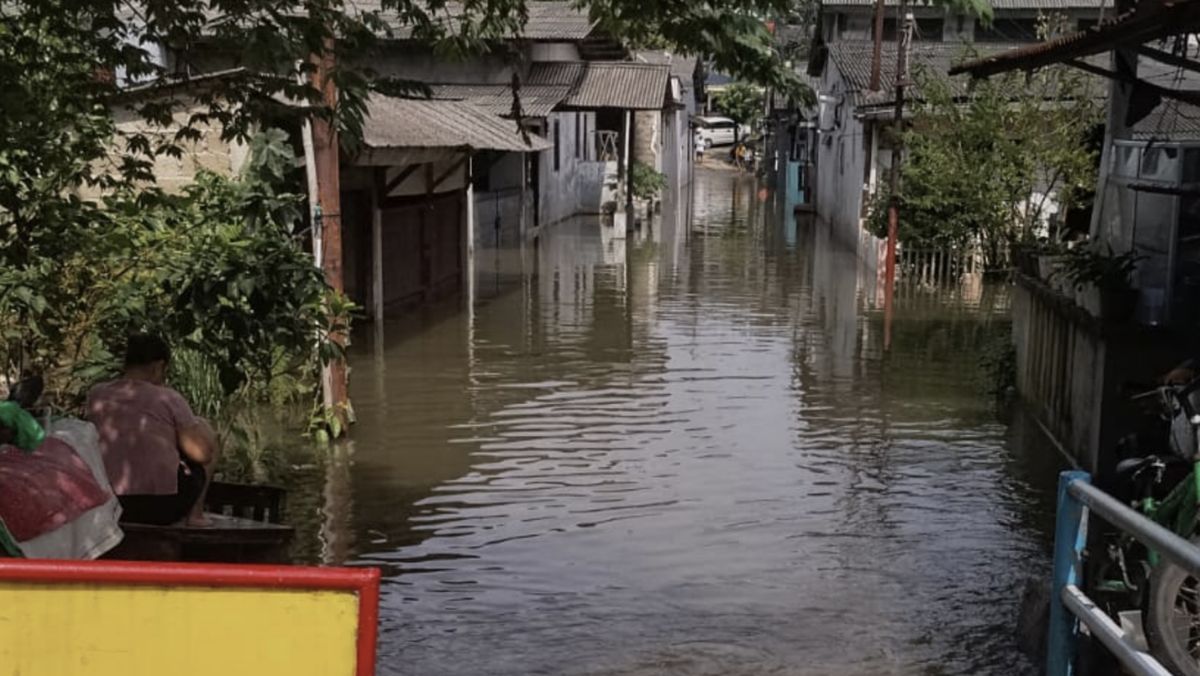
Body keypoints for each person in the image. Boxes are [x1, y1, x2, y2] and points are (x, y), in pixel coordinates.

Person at [87, 334, 219, 526]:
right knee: (203, 428)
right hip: (160, 506)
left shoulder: (97, 394)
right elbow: (201, 455)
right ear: (158, 366)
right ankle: (196, 515)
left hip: (110, 503)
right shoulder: (168, 398)